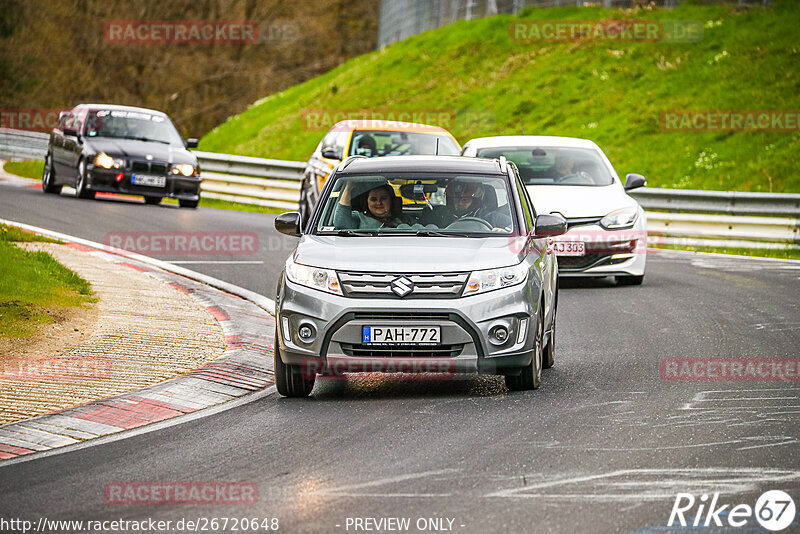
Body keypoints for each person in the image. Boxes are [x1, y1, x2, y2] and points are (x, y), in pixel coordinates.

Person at [436, 180, 512, 231]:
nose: (460, 203)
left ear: (475, 201)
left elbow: (515, 227)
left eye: (465, 200)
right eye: (455, 200)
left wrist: (505, 230)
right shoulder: (440, 216)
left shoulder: (493, 218)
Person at [333, 181, 410, 229]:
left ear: (391, 200)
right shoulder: (359, 218)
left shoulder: (404, 219)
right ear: (367, 202)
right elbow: (341, 223)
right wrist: (348, 188)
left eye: (383, 198)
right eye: (373, 199)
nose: (379, 203)